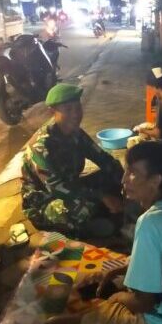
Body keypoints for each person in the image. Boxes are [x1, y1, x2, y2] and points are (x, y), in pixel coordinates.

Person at [44, 141, 162, 324]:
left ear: (155, 180)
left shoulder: (149, 223)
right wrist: (119, 270)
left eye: (132, 173)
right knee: (108, 280)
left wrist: (117, 299)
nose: (124, 179)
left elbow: (143, 303)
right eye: (126, 170)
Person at [21, 83, 124, 239]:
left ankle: (104, 214)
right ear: (52, 112)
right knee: (82, 208)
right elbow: (58, 188)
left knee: (111, 175)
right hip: (45, 201)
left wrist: (128, 182)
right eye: (68, 109)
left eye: (78, 108)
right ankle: (84, 229)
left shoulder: (75, 133)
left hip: (72, 185)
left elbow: (103, 159)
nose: (76, 114)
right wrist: (102, 196)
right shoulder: (42, 145)